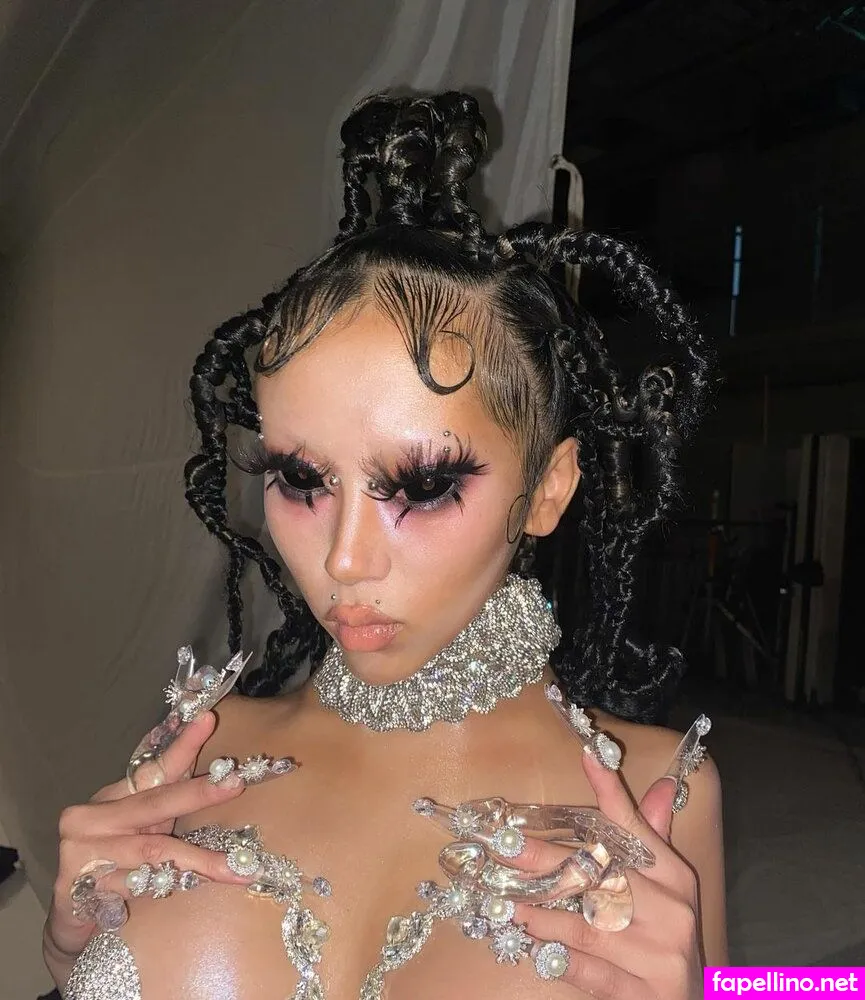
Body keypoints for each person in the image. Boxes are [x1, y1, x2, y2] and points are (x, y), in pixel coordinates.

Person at [43, 92, 725, 999]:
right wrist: (65, 945)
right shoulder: (195, 750)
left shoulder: (660, 791)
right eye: (300, 480)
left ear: (547, 489)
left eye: (423, 487)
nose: (343, 560)